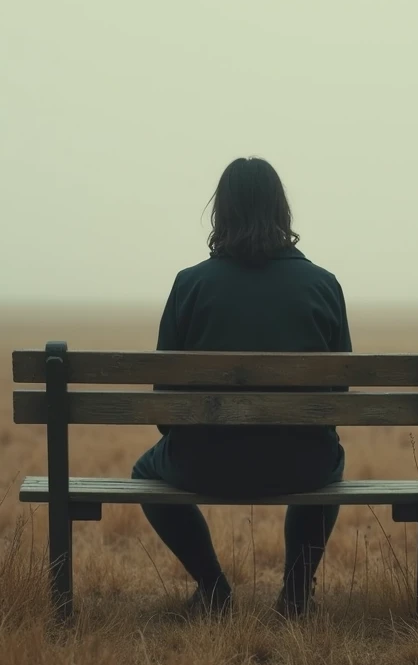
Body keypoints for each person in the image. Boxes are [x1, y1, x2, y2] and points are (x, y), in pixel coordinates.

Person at [132, 156, 352, 617]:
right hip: (302, 464)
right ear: (281, 211)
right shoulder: (323, 285)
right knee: (327, 456)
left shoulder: (189, 285)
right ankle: (295, 593)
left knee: (144, 474)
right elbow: (338, 400)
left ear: (222, 212)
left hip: (204, 462)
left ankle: (213, 588)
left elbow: (162, 406)